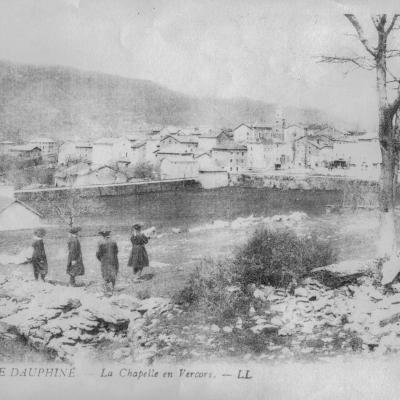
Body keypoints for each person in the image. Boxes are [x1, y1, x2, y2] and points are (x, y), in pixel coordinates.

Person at [96, 228, 119, 295]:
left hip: (105, 261)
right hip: (114, 260)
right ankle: (113, 288)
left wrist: (101, 259)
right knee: (113, 273)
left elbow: (98, 254)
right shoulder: (114, 242)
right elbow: (116, 251)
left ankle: (107, 290)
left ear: (103, 235)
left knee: (105, 274)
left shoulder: (100, 243)